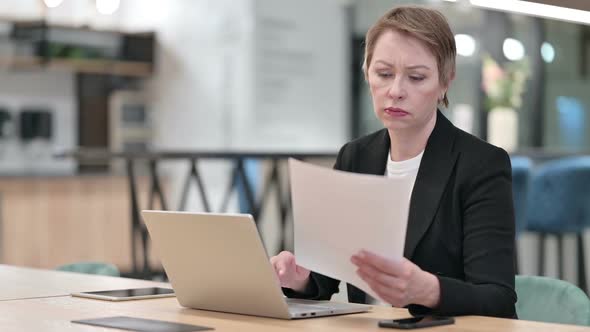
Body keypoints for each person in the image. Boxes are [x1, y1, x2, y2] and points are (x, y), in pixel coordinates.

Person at [270, 5, 516, 318]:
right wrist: (298, 278)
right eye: (384, 74)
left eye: (416, 77)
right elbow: (325, 278)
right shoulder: (355, 156)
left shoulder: (481, 164)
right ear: (366, 73)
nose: (396, 91)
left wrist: (428, 290)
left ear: (445, 82)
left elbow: (497, 298)